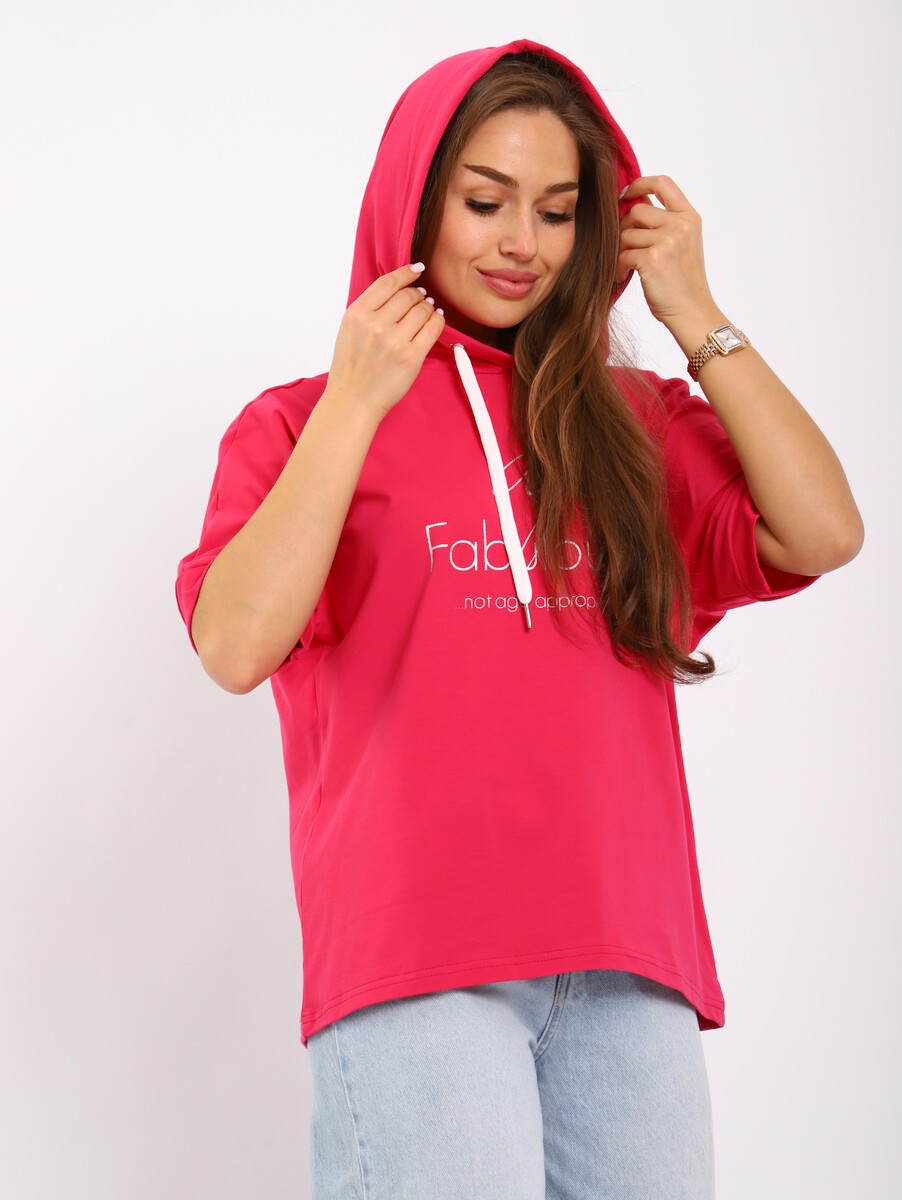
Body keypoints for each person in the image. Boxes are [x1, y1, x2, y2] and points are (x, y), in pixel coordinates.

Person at [175, 38, 863, 1200]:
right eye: (484, 202)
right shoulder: (299, 425)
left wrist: (692, 310)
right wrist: (356, 403)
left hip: (628, 961)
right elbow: (235, 645)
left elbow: (822, 530)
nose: (520, 244)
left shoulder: (633, 425)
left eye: (554, 212)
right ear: (413, 202)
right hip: (416, 965)